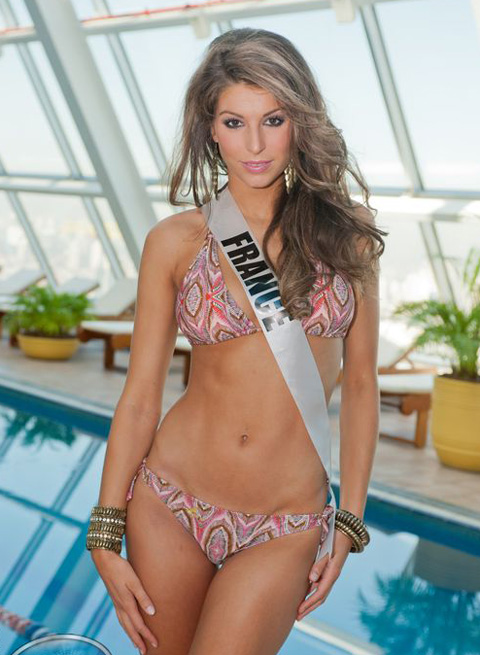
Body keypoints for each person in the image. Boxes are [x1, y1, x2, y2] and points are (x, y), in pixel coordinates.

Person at [87, 27, 386, 655]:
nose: (254, 145)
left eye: (273, 120)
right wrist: (104, 532)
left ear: (300, 122)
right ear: (210, 128)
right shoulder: (175, 242)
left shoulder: (348, 239)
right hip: (170, 502)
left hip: (286, 522)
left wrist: (350, 520)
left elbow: (361, 385)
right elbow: (141, 397)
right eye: (234, 121)